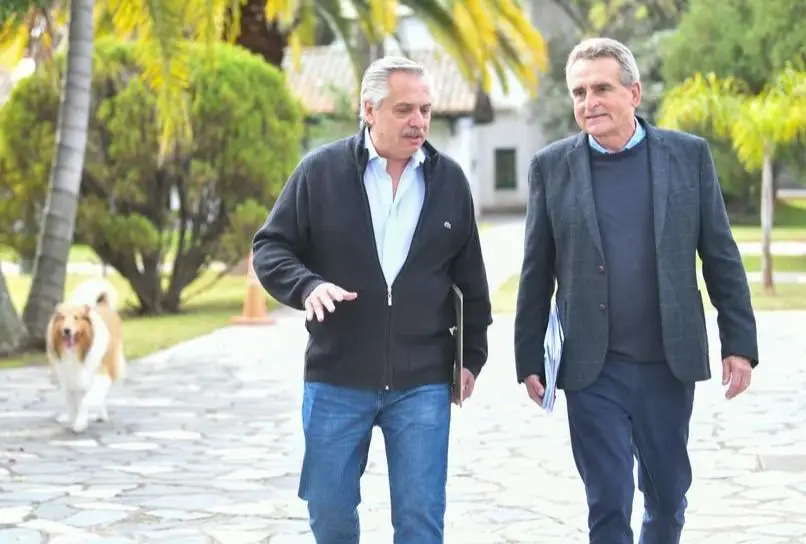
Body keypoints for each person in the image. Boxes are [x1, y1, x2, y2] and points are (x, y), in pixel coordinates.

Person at [513, 37, 759, 544]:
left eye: (602, 89)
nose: (589, 102)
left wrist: (738, 343)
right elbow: (536, 270)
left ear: (634, 93)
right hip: (591, 368)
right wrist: (529, 357)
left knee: (667, 499)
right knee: (607, 502)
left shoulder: (688, 156)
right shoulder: (551, 167)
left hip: (667, 364)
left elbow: (720, 255)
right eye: (579, 92)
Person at [252, 55, 492, 544]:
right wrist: (307, 285)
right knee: (329, 511)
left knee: (421, 518)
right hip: (337, 376)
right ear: (368, 110)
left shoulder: (450, 182)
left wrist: (472, 357)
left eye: (425, 110)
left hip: (423, 381)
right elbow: (270, 247)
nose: (418, 121)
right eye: (404, 110)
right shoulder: (319, 172)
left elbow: (471, 280)